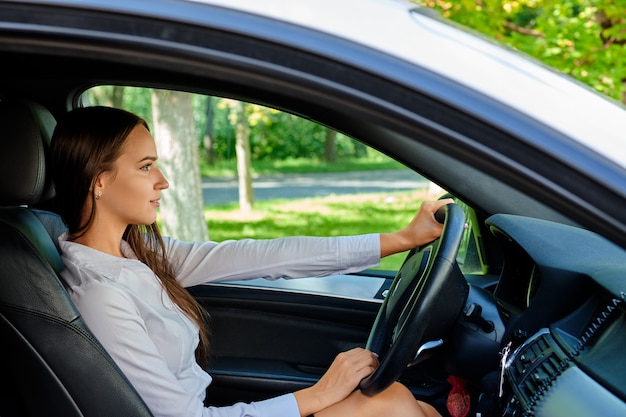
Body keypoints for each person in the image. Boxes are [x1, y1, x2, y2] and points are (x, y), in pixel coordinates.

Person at [50, 106, 447, 417]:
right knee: (391, 405)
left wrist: (399, 240)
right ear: (98, 181)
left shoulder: (138, 254)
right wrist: (319, 394)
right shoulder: (100, 294)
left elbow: (269, 255)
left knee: (404, 401)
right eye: (145, 166)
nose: (163, 181)